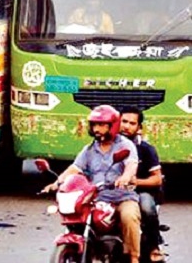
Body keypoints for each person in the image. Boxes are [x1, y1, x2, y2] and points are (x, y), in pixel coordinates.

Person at [42, 105, 142, 263]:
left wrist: (125, 177)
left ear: (113, 125)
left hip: (122, 197)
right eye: (94, 124)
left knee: (129, 216)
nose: (97, 129)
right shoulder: (88, 150)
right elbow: (75, 168)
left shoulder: (125, 145)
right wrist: (57, 182)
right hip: (97, 197)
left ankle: (134, 257)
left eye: (101, 125)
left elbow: (131, 165)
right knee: (78, 217)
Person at [120, 106, 165, 263]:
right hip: (115, 192)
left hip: (141, 191)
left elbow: (157, 179)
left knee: (146, 207)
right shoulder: (107, 145)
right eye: (124, 121)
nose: (126, 126)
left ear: (139, 127)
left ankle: (154, 246)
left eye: (132, 123)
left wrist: (135, 181)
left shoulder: (146, 149)